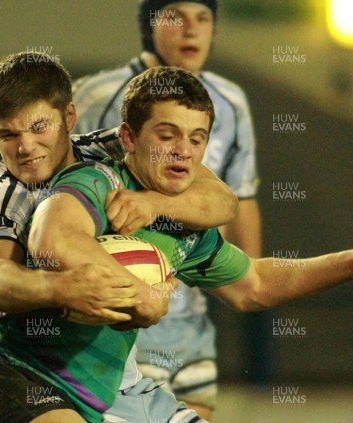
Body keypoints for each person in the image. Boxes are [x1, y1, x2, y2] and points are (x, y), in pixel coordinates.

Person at [30, 66, 353, 423]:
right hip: (29, 379)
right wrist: (141, 295)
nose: (183, 152)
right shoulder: (98, 183)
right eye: (167, 135)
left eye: (196, 139)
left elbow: (255, 284)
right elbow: (54, 239)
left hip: (110, 390)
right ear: (129, 138)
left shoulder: (182, 225)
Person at [0, 52, 238, 423]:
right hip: (9, 370)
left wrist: (151, 204)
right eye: (8, 134)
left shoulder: (110, 148)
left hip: (102, 381)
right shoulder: (2, 197)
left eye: (38, 128)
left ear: (68, 117)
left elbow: (223, 201)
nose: (25, 147)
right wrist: (59, 287)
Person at [72, 1, 261, 417]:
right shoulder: (97, 93)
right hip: (121, 316)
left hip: (190, 311)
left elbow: (238, 198)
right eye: (176, 17)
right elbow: (62, 189)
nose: (191, 30)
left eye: (204, 18)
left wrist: (248, 287)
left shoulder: (231, 101)